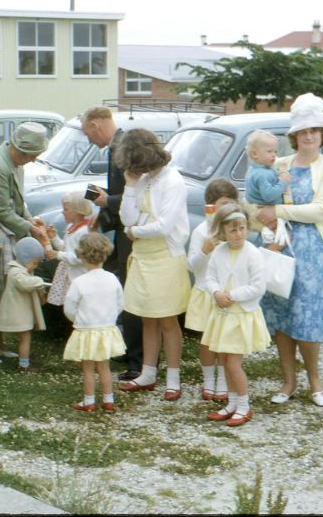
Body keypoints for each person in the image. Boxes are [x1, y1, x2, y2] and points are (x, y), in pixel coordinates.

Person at [253, 93, 323, 407]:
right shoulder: (280, 164)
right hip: (280, 246)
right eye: (303, 131)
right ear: (294, 136)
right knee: (282, 314)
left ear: (322, 135)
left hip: (312, 250)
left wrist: (278, 211)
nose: (308, 136)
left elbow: (319, 210)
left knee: (309, 315)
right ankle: (288, 381)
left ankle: (315, 379)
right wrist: (267, 216)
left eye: (314, 131)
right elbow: (259, 199)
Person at [115, 128, 191, 401]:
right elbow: (126, 217)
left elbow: (164, 226)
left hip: (166, 256)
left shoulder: (173, 180)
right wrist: (130, 186)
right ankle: (147, 373)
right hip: (144, 256)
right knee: (147, 317)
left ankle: (173, 377)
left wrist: (136, 232)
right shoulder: (143, 179)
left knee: (168, 319)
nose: (140, 170)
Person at [0, 122, 49, 364]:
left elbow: (18, 203)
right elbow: (2, 211)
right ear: (21, 150)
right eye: (34, 156)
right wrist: (31, 229)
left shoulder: (14, 164)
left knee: (4, 287)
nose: (34, 161)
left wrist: (30, 219)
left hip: (5, 232)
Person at [80, 106, 143, 381]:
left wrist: (108, 201)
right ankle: (128, 349)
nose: (89, 141)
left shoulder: (125, 146)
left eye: (87, 134)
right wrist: (104, 211)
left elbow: (138, 193)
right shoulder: (116, 146)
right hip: (120, 227)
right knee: (121, 286)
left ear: (96, 125)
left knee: (130, 292)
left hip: (132, 230)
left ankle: (136, 361)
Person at [202, 205, 269, 426]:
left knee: (233, 363)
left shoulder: (252, 253)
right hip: (223, 314)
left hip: (241, 315)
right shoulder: (219, 252)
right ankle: (231, 403)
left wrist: (232, 295)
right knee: (223, 360)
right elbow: (210, 277)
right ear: (222, 232)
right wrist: (217, 293)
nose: (239, 234)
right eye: (233, 230)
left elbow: (258, 287)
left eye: (242, 228)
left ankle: (244, 406)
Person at [185, 178, 238, 402]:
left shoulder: (235, 229)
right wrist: (205, 250)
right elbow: (191, 265)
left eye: (231, 203)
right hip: (205, 292)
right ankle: (208, 381)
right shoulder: (201, 231)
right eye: (222, 203)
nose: (226, 208)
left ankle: (224, 382)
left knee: (225, 341)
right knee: (207, 342)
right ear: (210, 206)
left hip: (226, 295)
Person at [63, 232, 126, 412]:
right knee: (104, 366)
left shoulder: (79, 282)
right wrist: (108, 317)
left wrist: (79, 319)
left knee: (88, 368)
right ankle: (108, 400)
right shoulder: (112, 279)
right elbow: (120, 303)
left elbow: (69, 308)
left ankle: (89, 401)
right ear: (105, 254)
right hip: (106, 329)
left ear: (81, 256)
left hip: (86, 330)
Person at [0, 237, 47, 372]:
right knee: (25, 337)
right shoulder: (16, 272)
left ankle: (25, 359)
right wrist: (39, 281)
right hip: (17, 313)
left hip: (20, 312)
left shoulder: (20, 270)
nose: (35, 266)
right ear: (26, 259)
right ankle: (24, 365)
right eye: (34, 263)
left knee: (25, 336)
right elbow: (24, 284)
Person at [45, 191, 93, 308]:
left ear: (77, 211)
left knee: (79, 305)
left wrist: (58, 255)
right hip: (70, 277)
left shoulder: (83, 232)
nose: (62, 212)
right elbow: (67, 248)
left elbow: (81, 257)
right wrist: (54, 238)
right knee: (70, 305)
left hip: (79, 277)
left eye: (65, 209)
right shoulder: (71, 228)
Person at [244, 129, 292, 245]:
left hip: (260, 210)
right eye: (269, 151)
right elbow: (269, 196)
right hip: (265, 212)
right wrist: (283, 182)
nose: (274, 155)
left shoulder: (259, 169)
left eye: (275, 151)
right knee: (281, 240)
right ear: (255, 154)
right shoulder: (261, 174)